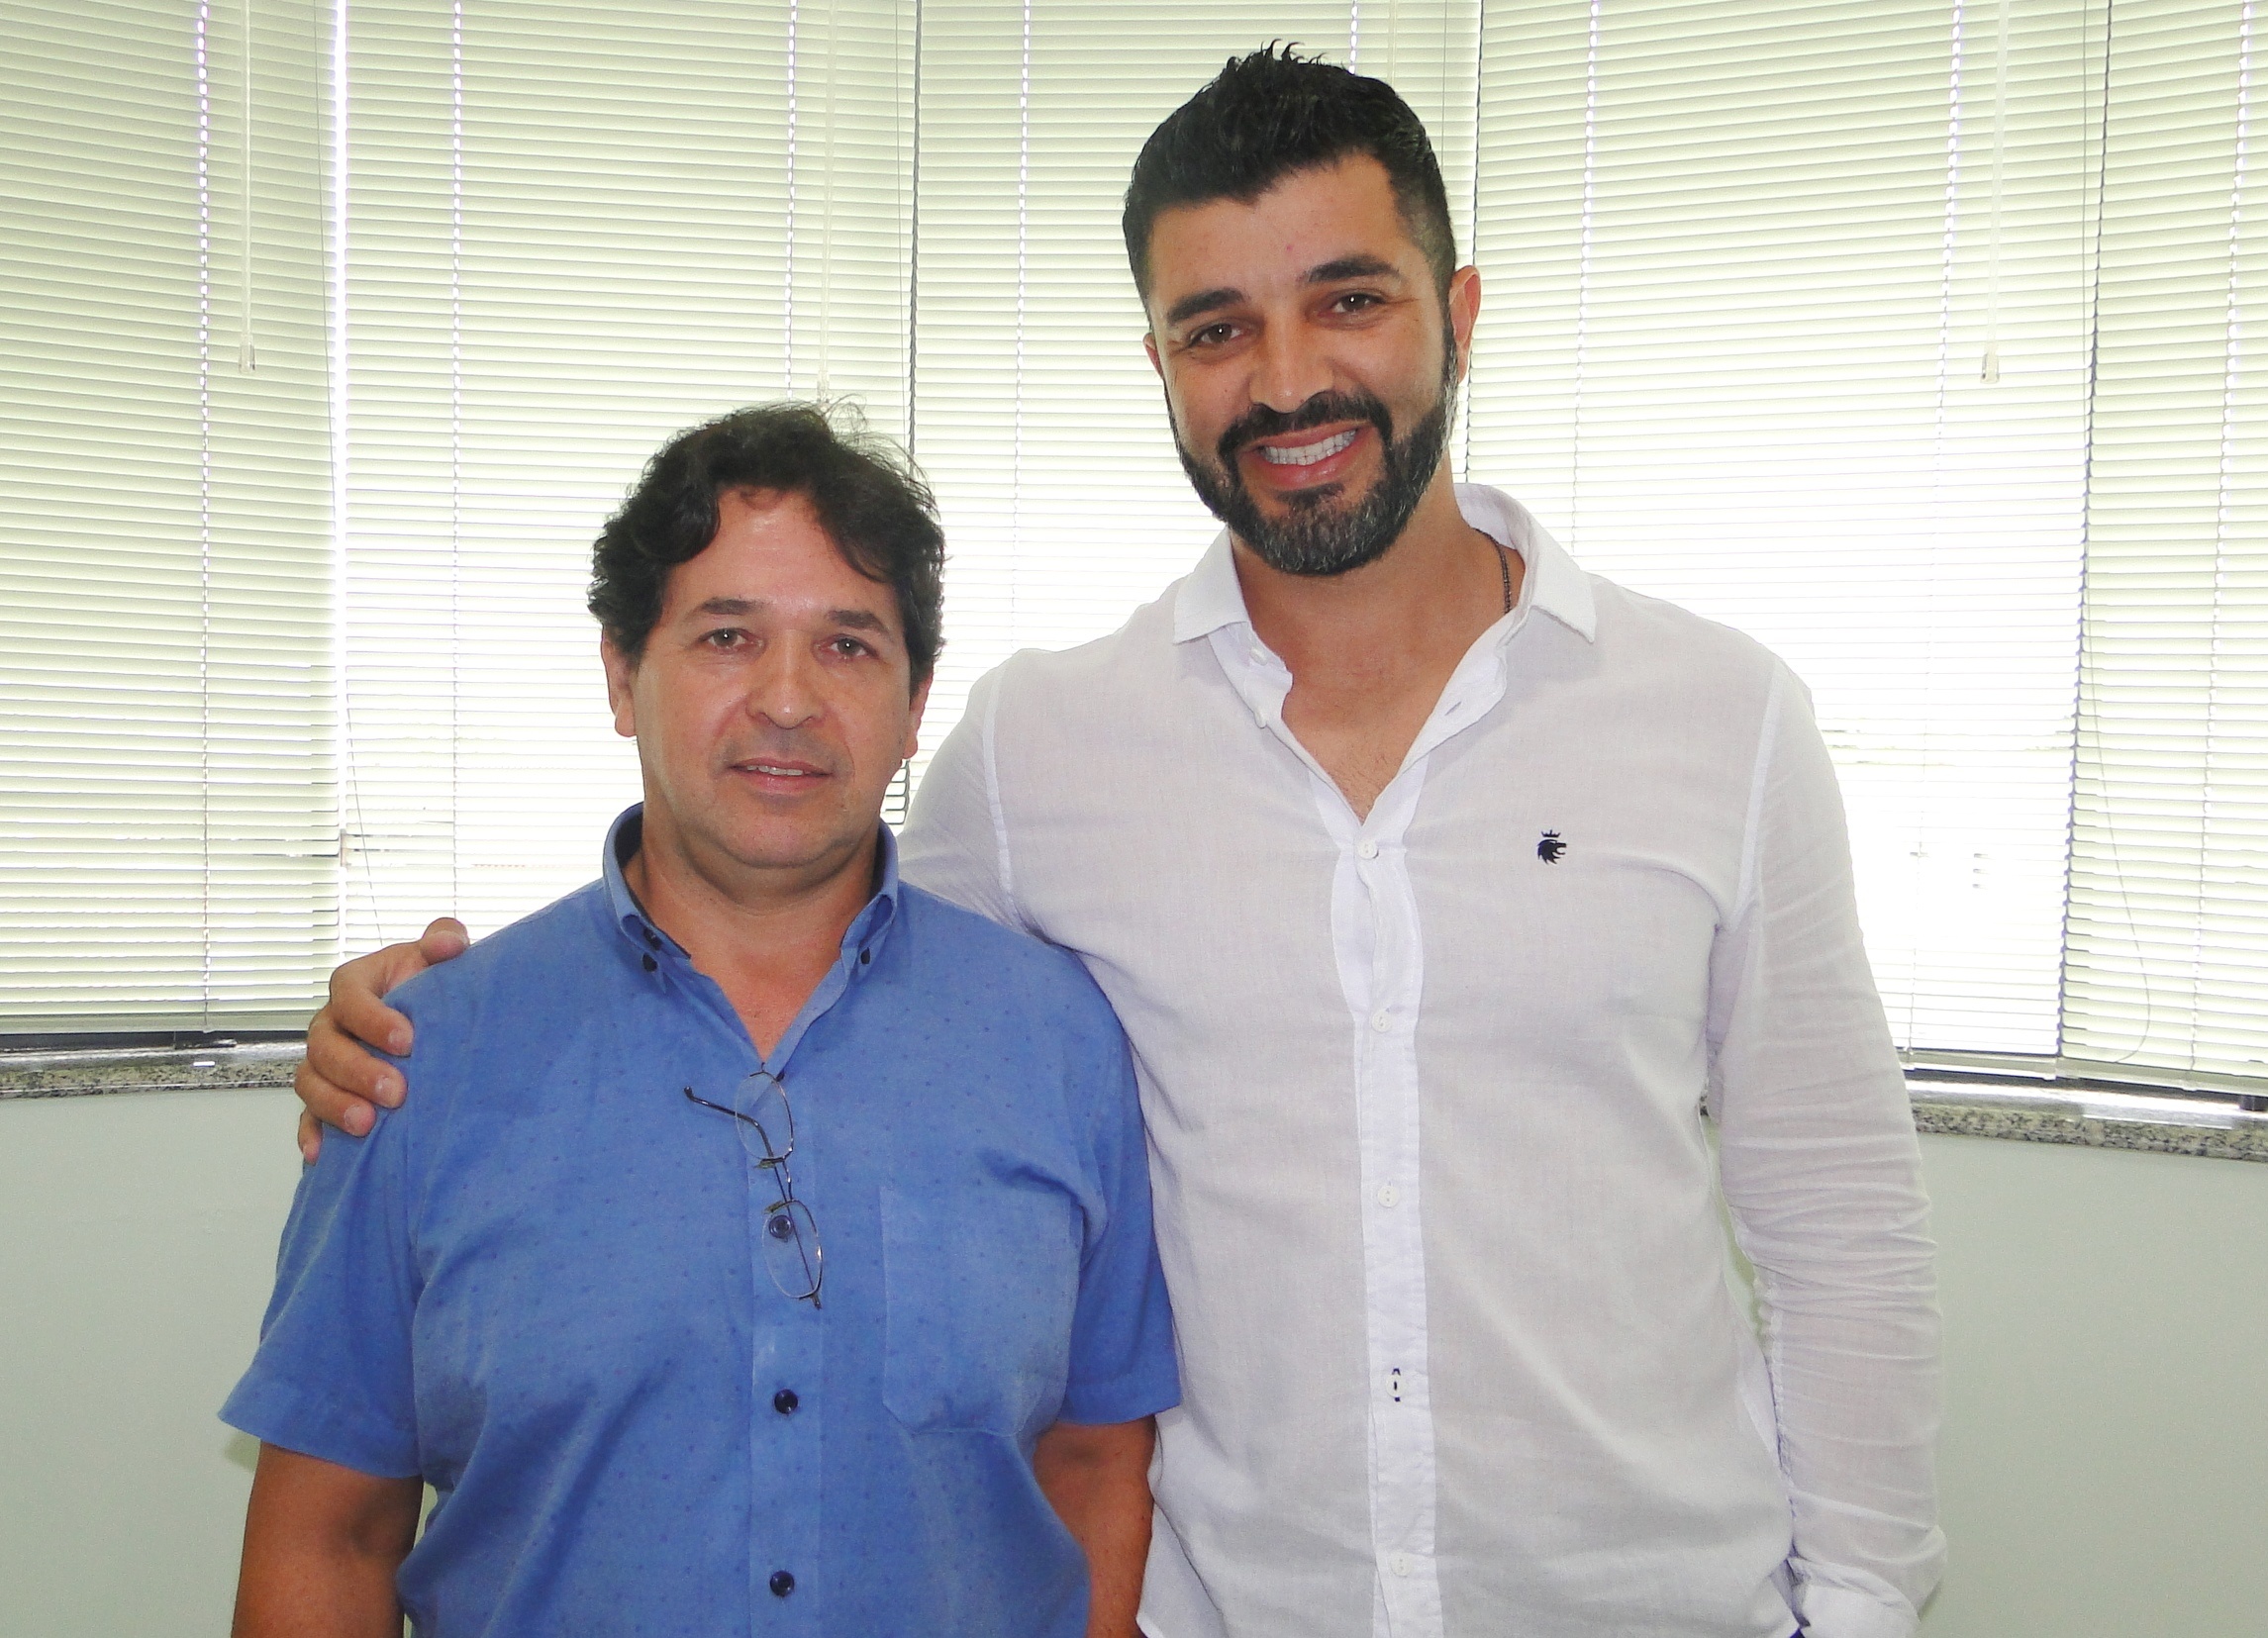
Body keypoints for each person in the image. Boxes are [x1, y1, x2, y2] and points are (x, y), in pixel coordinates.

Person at [291, 48, 1942, 1638]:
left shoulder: (1721, 718)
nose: (1288, 379)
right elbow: (823, 1008)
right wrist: (429, 1040)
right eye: (1218, 326)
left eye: (1349, 299)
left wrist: (1858, 1613)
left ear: (1460, 311)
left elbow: (1839, 1225)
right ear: (1157, 363)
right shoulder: (1037, 747)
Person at [225, 404, 1179, 1637]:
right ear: (623, 674)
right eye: (728, 636)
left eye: (847, 646)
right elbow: (330, 1530)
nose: (786, 699)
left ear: (915, 700)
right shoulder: (420, 1058)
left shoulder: (1058, 1041)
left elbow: (1097, 1468)